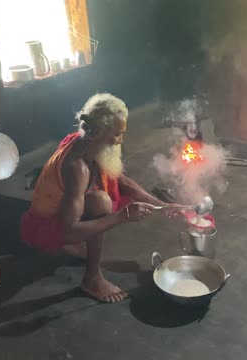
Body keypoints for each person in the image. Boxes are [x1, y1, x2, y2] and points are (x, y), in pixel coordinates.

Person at [20, 93, 176, 303]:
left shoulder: (88, 143)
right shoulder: (77, 168)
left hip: (63, 211)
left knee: (104, 197)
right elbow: (69, 230)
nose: (120, 140)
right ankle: (92, 279)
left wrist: (165, 206)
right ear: (97, 133)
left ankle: (73, 250)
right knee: (102, 202)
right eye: (116, 134)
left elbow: (123, 182)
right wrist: (122, 216)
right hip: (45, 226)